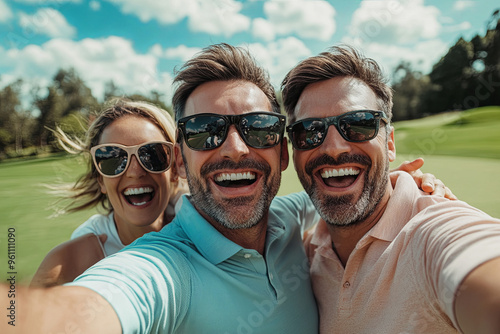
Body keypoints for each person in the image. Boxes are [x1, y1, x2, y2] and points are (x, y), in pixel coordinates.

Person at [3, 44, 448, 333]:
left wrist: (395, 180)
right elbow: (88, 308)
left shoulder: (289, 216)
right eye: (203, 131)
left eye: (258, 128)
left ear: (282, 153)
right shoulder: (161, 266)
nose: (235, 148)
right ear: (181, 158)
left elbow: (337, 198)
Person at [281, 45, 500, 333]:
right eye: (309, 131)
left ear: (390, 142)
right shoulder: (308, 249)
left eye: (359, 124)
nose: (333, 148)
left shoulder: (434, 231)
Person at [30, 99, 188, 287]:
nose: (135, 172)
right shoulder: (77, 260)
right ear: (100, 180)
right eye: (113, 158)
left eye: (153, 155)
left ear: (174, 170)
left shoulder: (198, 226)